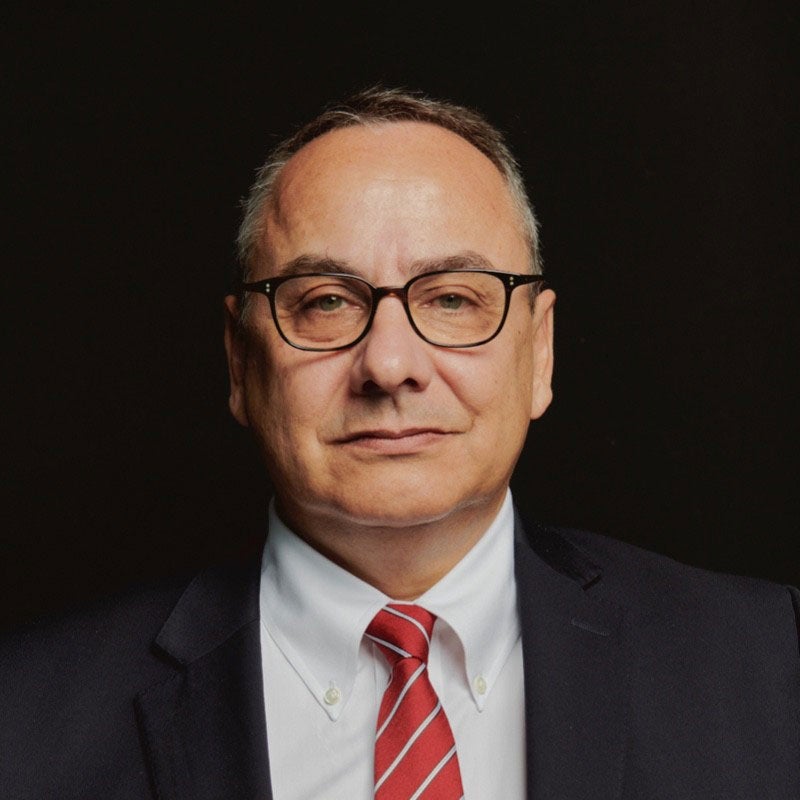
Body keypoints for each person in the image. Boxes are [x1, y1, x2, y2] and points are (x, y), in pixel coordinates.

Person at [1, 87, 798, 800]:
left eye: (452, 299)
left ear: (540, 353)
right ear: (240, 363)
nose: (388, 365)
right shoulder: (26, 717)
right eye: (325, 302)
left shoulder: (771, 666)